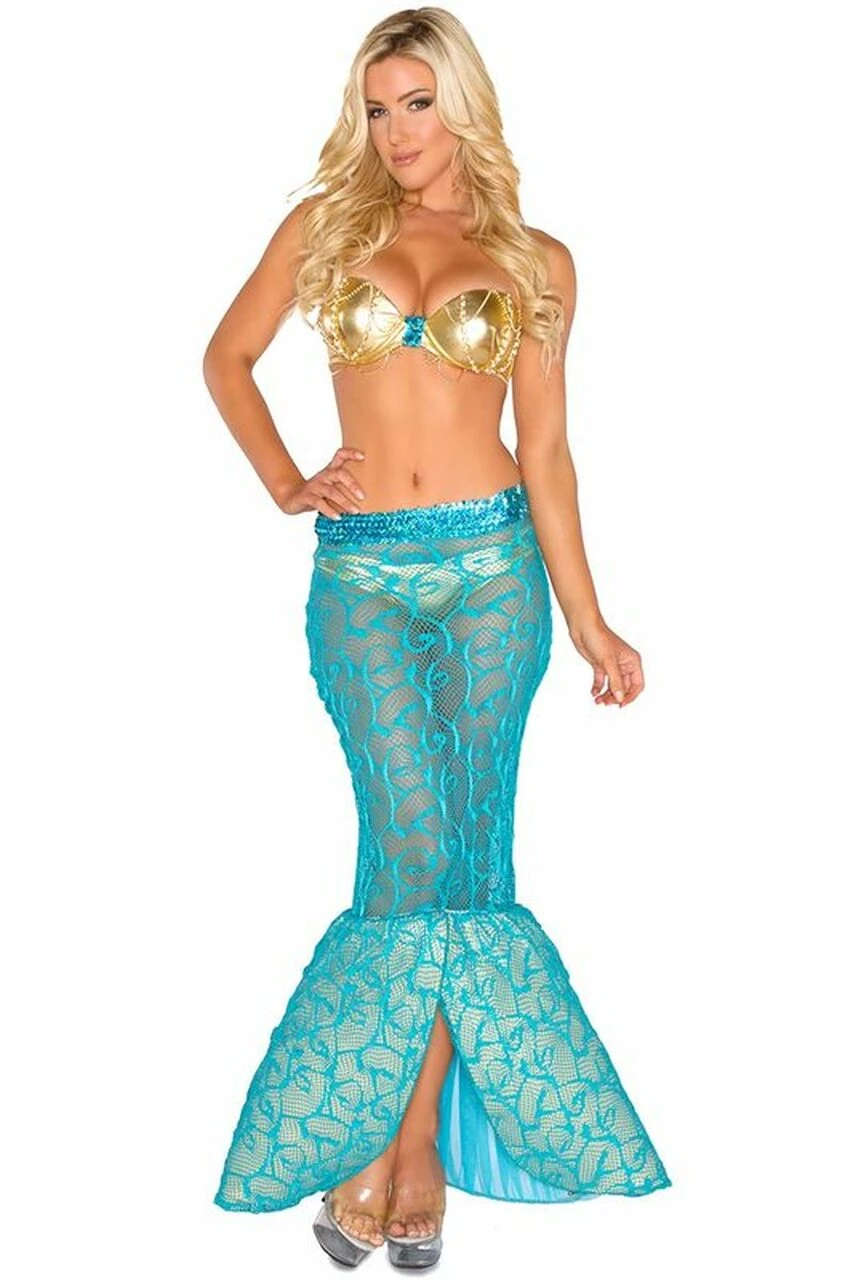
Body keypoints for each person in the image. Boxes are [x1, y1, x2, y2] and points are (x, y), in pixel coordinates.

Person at [203, 5, 671, 1269]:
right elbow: (227, 358)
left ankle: (403, 1149)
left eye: (415, 102)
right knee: (411, 844)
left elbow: (548, 451)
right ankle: (399, 1143)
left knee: (463, 859)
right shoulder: (325, 228)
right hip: (362, 576)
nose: (394, 131)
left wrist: (589, 619)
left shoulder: (535, 260)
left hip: (493, 577)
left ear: (462, 104)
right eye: (375, 108)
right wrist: (286, 481)